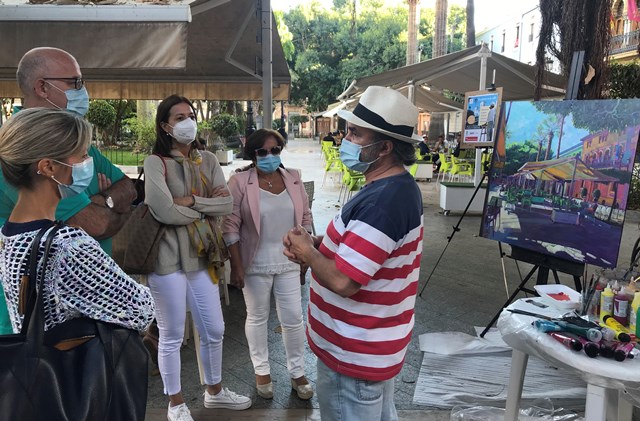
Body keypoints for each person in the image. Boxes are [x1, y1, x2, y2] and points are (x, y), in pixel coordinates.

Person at [283, 86, 424, 421]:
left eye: (355, 134)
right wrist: (320, 245)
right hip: (368, 348)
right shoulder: (391, 187)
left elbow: (345, 282)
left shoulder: (383, 200)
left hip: (355, 352)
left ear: (385, 147)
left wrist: (308, 253)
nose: (345, 138)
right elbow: (366, 254)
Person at [0, 47, 137, 335]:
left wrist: (103, 201)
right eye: (74, 82)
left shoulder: (72, 141)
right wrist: (114, 208)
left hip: (81, 318)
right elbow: (95, 225)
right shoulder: (15, 150)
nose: (82, 89)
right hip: (37, 330)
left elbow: (129, 187)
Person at [0, 107, 154, 344]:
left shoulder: (8, 235)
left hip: (42, 371)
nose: (88, 163)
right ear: (48, 167)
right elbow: (141, 310)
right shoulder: (68, 247)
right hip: (79, 374)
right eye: (82, 156)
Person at [144, 95, 251, 421]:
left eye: (190, 115)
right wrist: (205, 204)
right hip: (167, 260)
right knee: (172, 334)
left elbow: (227, 205)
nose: (187, 121)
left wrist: (188, 200)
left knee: (215, 328)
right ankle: (175, 403)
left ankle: (214, 392)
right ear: (165, 125)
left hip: (203, 257)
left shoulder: (207, 159)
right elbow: (162, 210)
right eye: (179, 117)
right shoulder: (155, 163)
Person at [222, 129, 314, 401]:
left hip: (289, 259)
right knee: (257, 317)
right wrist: (237, 267)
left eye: (275, 150)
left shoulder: (294, 178)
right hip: (255, 262)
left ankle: (298, 373)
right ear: (253, 153)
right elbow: (230, 226)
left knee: (294, 319)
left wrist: (306, 254)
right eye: (263, 151)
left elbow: (306, 217)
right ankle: (262, 372)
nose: (270, 156)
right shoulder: (239, 181)